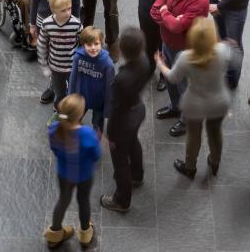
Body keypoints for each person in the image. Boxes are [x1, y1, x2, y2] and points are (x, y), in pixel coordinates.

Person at [155, 16, 235, 179]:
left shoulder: (186, 57)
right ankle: (214, 162)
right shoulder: (222, 50)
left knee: (194, 136)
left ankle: (190, 167)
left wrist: (160, 64)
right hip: (218, 102)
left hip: (194, 104)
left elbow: (172, 77)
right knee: (215, 132)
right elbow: (235, 60)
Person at [151, 0, 211, 137]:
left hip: (185, 51)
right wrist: (171, 19)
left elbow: (177, 27)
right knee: (170, 80)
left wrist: (165, 13)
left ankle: (186, 120)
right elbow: (154, 10)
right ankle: (176, 107)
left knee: (185, 86)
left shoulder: (200, 1)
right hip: (167, 43)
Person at [100, 28, 152, 213]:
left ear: (122, 50)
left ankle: (121, 200)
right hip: (138, 110)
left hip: (123, 121)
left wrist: (109, 135)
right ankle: (137, 175)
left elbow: (116, 109)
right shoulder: (145, 61)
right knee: (133, 142)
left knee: (120, 161)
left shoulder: (121, 79)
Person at [45, 93, 99, 249]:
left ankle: (55, 234)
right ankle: (84, 233)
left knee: (62, 200)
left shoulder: (54, 129)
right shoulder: (88, 135)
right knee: (83, 202)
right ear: (80, 115)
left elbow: (54, 149)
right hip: (84, 175)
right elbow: (95, 155)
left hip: (64, 174)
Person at [38, 0, 83, 107]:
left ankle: (72, 110)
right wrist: (44, 66)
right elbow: (42, 45)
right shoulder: (47, 24)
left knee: (74, 90)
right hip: (55, 66)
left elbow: (83, 43)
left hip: (72, 66)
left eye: (69, 8)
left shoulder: (76, 24)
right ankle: (58, 109)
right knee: (59, 92)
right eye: (63, 10)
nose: (68, 13)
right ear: (53, 10)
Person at [68, 27, 115, 133]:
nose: (93, 48)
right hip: (80, 97)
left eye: (96, 44)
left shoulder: (107, 64)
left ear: (101, 43)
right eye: (89, 45)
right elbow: (73, 78)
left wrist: (107, 109)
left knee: (97, 125)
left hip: (99, 101)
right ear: (83, 44)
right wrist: (70, 97)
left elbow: (110, 88)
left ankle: (94, 143)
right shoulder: (78, 57)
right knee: (74, 120)